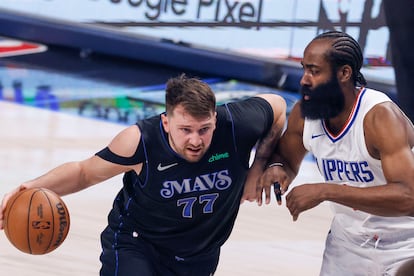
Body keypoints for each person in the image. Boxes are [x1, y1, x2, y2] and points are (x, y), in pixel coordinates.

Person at [0, 74, 286, 276]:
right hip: (137, 243)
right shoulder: (140, 141)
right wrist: (28, 186)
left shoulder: (237, 125)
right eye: (185, 130)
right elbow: (85, 172)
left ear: (215, 118)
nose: (196, 140)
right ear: (166, 121)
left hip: (200, 254)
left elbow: (278, 106)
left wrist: (260, 165)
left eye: (204, 129)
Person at [256, 31, 414, 275]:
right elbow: (286, 158)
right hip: (348, 241)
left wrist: (324, 190)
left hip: (406, 243)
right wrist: (276, 168)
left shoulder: (379, 117)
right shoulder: (304, 113)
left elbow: (409, 198)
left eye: (314, 71)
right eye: (303, 69)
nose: (304, 80)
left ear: (344, 73)